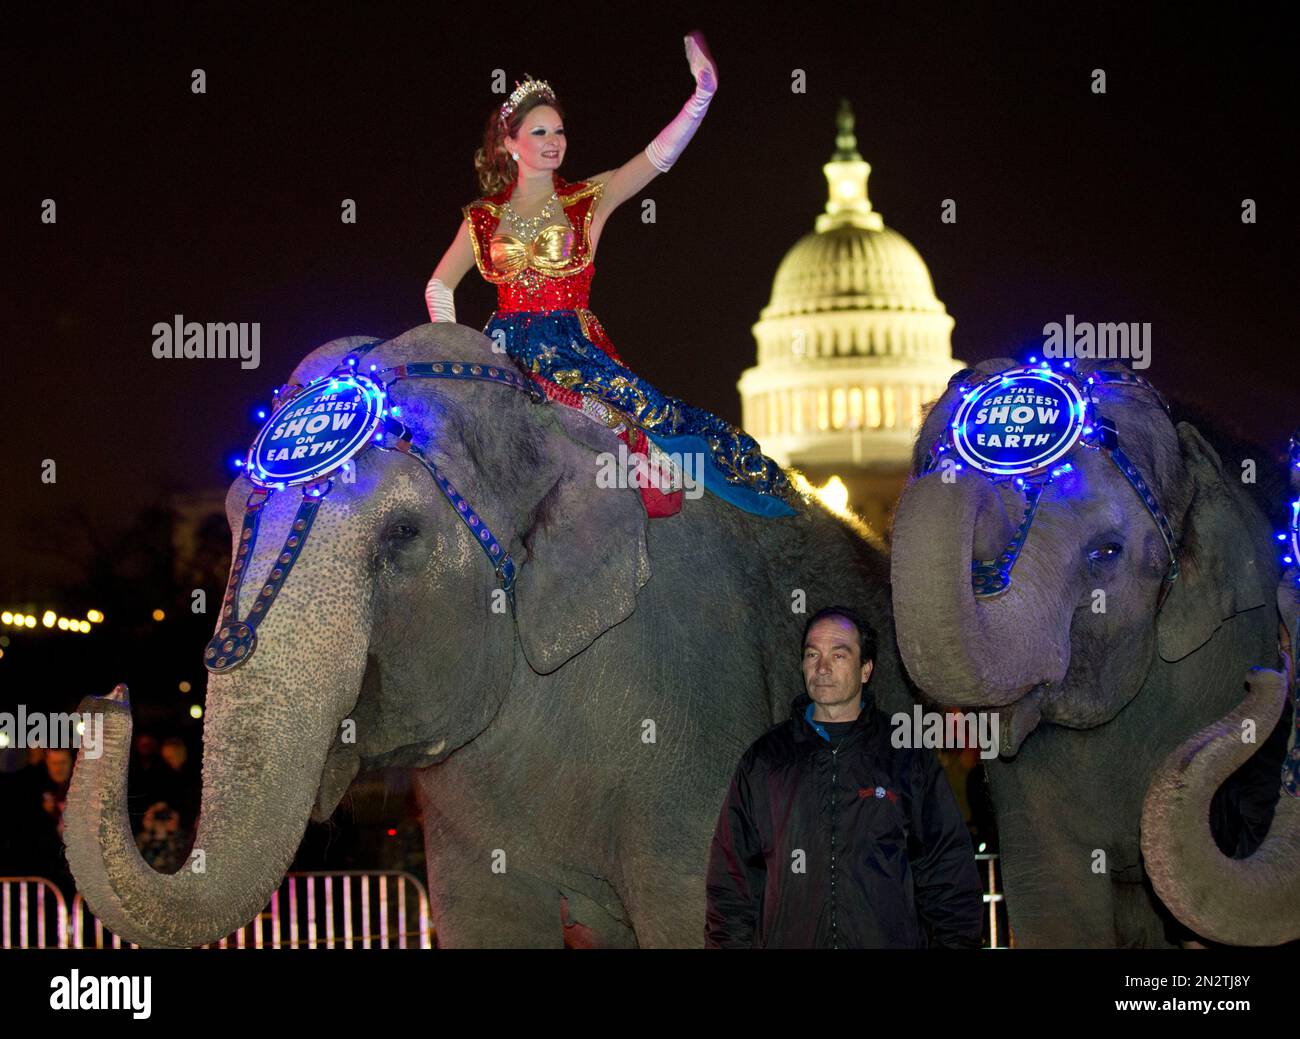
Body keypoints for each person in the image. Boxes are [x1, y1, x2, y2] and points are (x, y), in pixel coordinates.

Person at [424, 31, 797, 519]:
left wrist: (701, 96)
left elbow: (656, 160)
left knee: (652, 428)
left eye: (559, 131)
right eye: (539, 132)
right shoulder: (481, 217)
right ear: (509, 143)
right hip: (502, 349)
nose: (554, 142)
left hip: (571, 346)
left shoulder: (587, 199)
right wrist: (456, 348)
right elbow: (439, 285)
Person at [704, 606, 984, 948]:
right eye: (812, 654)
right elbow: (732, 883)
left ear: (865, 669)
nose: (822, 667)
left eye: (839, 654)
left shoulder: (906, 755)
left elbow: (948, 874)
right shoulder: (765, 761)